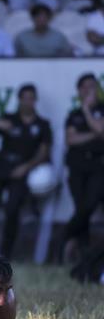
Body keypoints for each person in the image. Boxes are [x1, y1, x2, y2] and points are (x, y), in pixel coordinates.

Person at [0, 84, 52, 258]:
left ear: (35, 100)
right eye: (24, 98)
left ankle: (5, 253)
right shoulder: (9, 119)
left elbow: (44, 152)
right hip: (0, 166)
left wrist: (26, 167)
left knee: (12, 208)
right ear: (19, 100)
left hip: (22, 168)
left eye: (31, 98)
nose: (28, 102)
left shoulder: (42, 124)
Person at [61, 73, 104, 262]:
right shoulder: (73, 115)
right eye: (85, 87)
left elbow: (101, 130)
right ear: (79, 91)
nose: (89, 91)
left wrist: (87, 111)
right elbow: (71, 139)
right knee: (81, 207)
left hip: (98, 166)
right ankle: (83, 252)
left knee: (89, 205)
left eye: (93, 86)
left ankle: (64, 237)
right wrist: (94, 134)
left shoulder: (100, 110)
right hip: (77, 167)